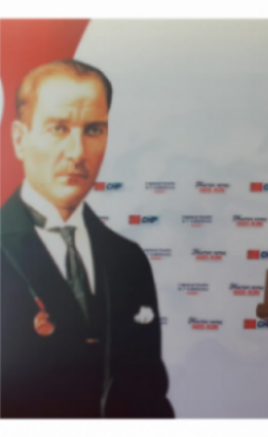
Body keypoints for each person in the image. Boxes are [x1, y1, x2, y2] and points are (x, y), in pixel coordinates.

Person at [0, 60, 174, 418]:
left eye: (93, 130)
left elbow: (150, 393)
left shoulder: (129, 259)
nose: (78, 152)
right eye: (58, 128)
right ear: (19, 139)